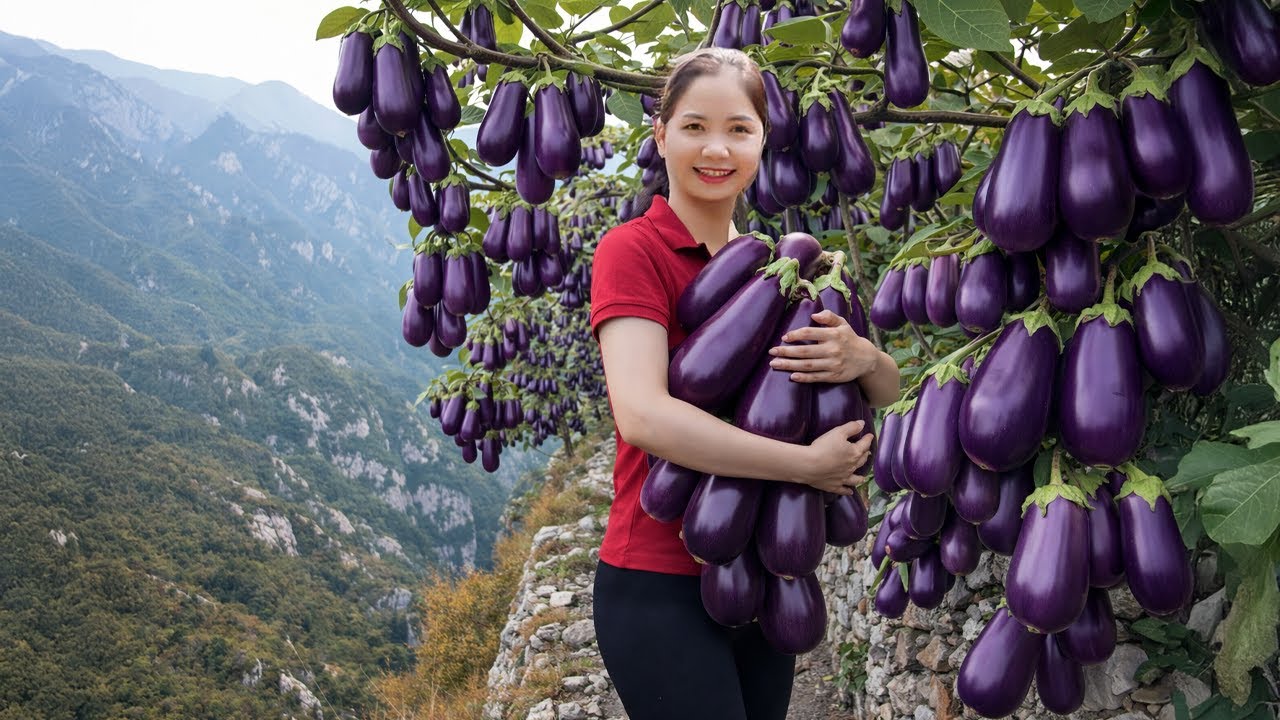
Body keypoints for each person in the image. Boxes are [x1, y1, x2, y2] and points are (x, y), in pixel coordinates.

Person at [588, 47, 901, 720]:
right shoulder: (631, 251)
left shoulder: (777, 263)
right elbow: (642, 416)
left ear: (763, 141)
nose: (717, 149)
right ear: (661, 134)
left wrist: (862, 358)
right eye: (695, 126)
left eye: (739, 130)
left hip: (768, 577)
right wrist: (806, 465)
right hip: (657, 581)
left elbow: (888, 392)